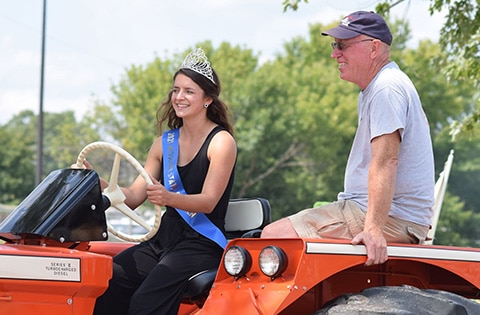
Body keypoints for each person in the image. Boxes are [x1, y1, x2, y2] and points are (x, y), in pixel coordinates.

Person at [261, 11, 435, 266]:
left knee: (274, 236)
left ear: (374, 48)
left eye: (342, 45)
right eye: (335, 45)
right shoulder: (380, 87)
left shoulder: (386, 88)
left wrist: (374, 230)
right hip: (393, 216)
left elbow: (386, 161)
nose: (335, 54)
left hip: (391, 218)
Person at [93, 47, 237, 315]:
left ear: (207, 99)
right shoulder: (163, 144)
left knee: (145, 303)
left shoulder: (221, 142)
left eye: (189, 91)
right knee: (109, 281)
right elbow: (135, 196)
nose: (179, 97)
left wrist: (169, 198)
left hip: (201, 243)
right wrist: (99, 184)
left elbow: (208, 202)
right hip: (163, 239)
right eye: (176, 90)